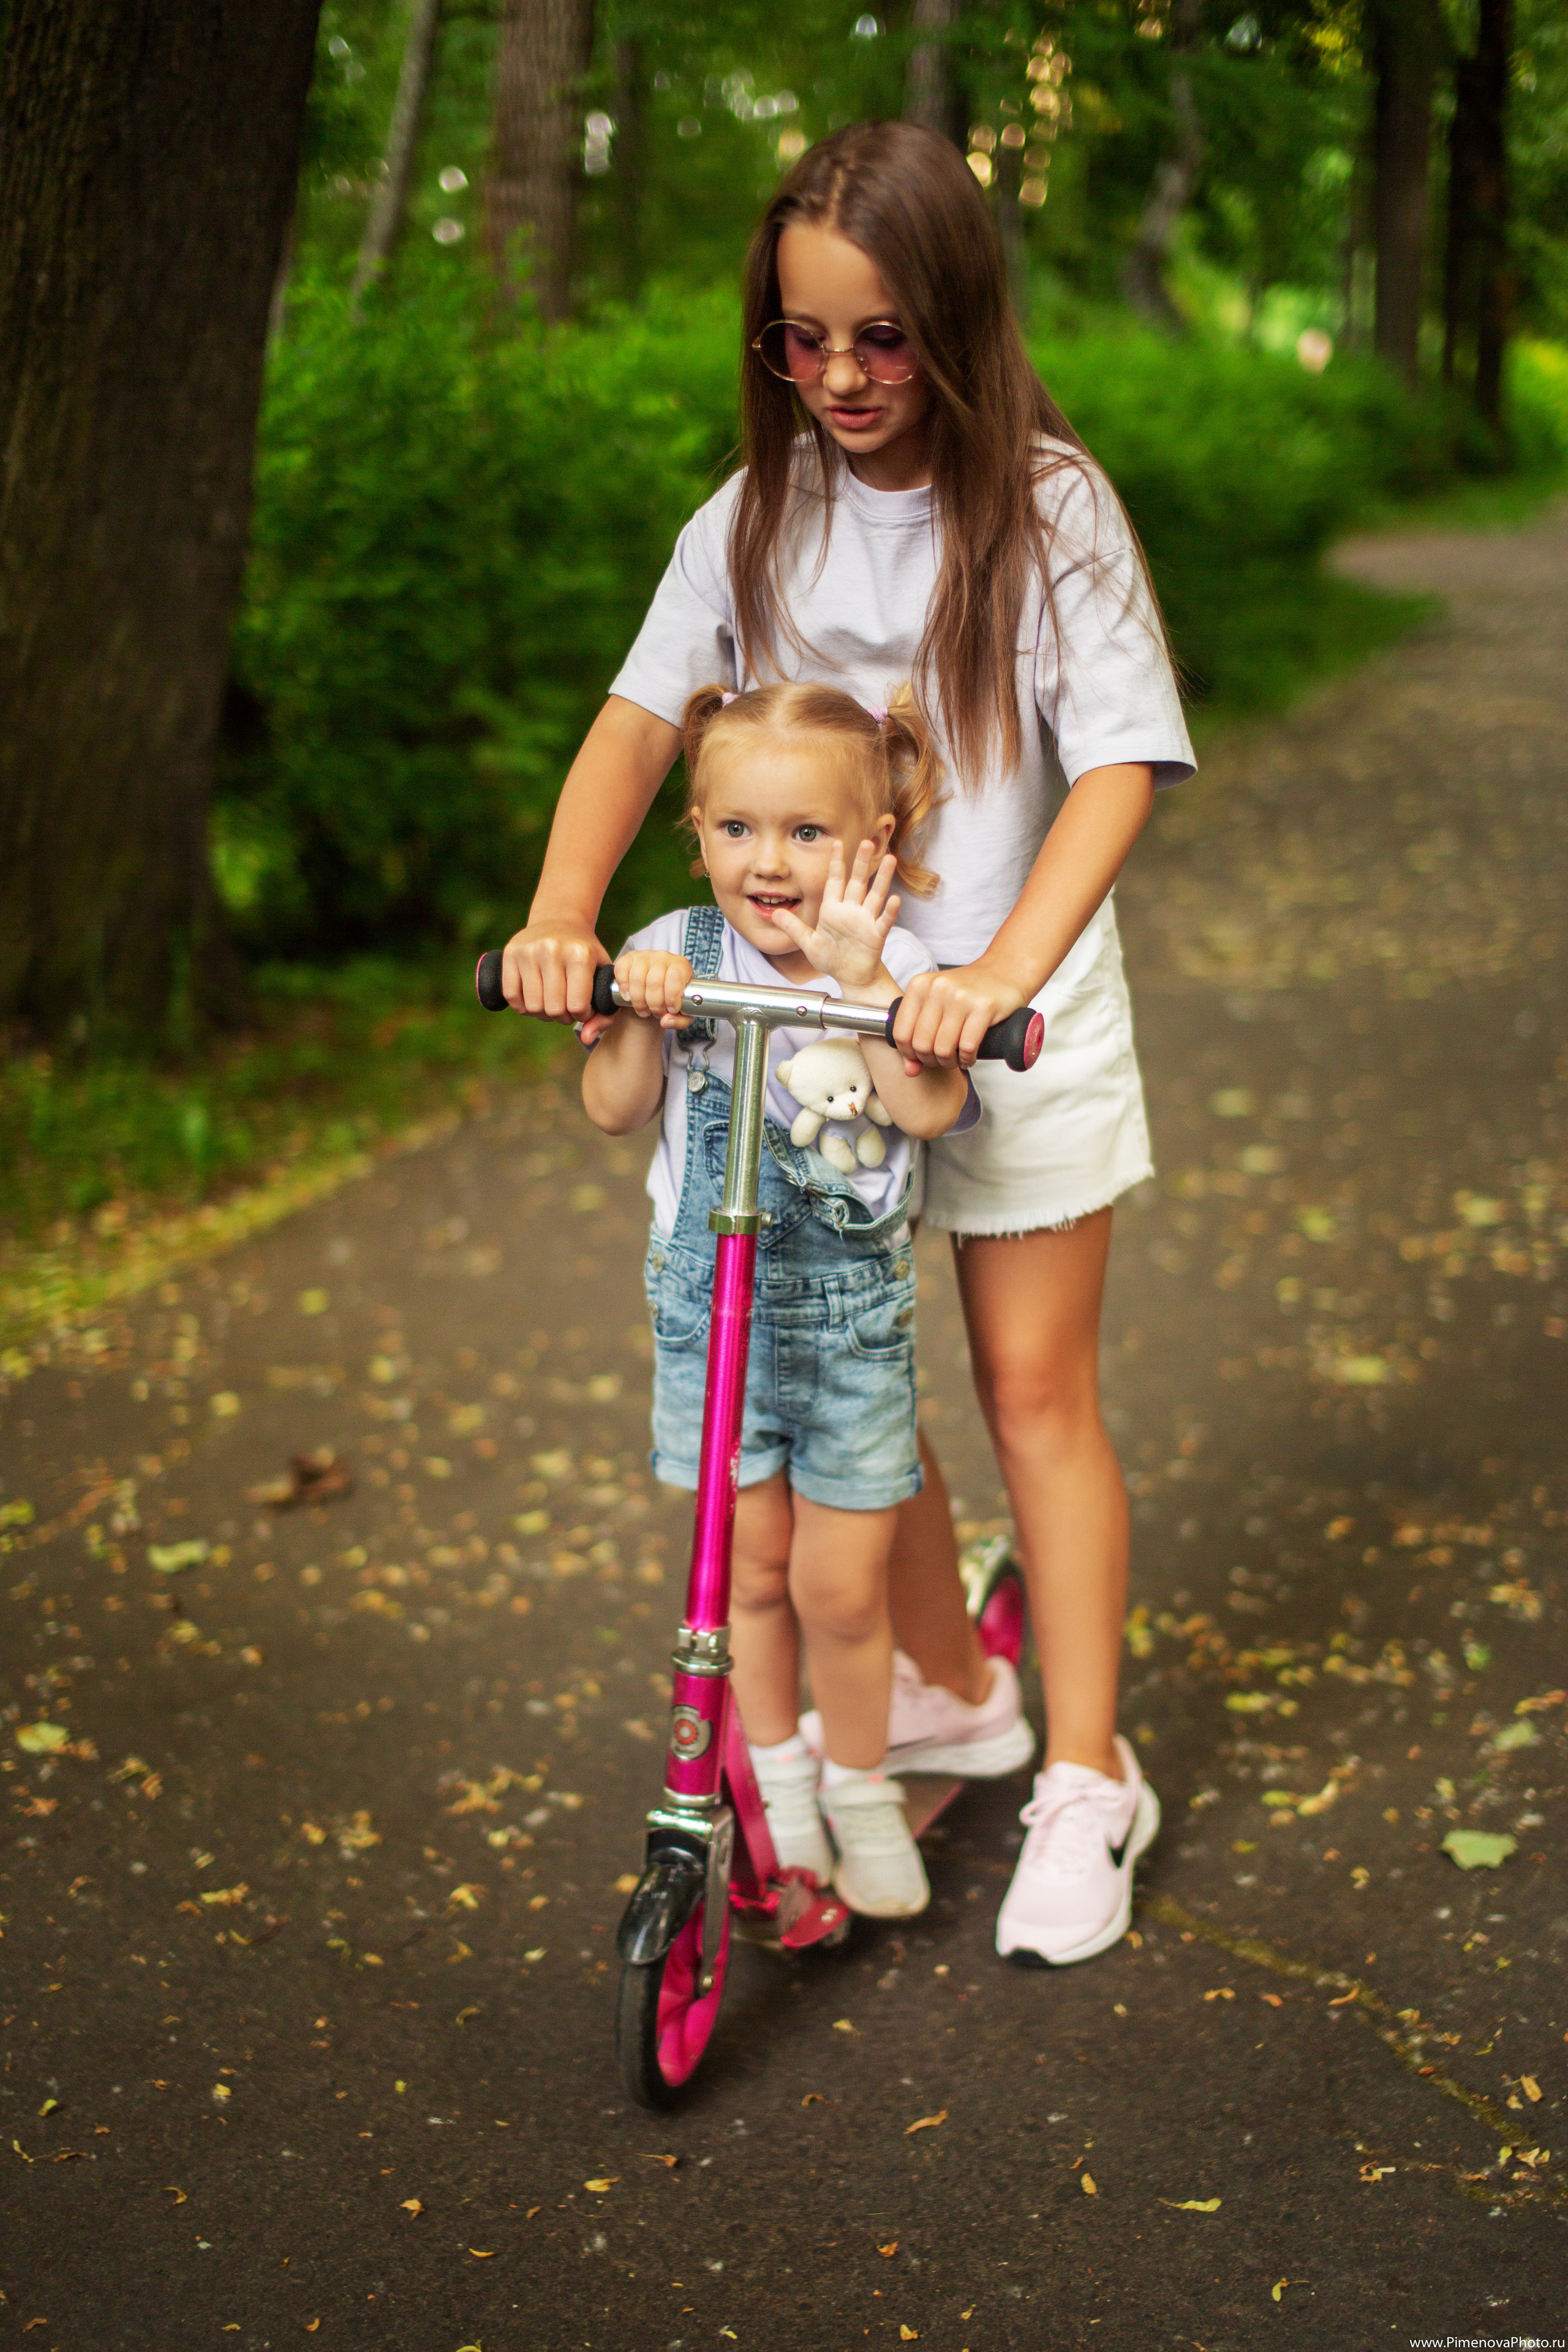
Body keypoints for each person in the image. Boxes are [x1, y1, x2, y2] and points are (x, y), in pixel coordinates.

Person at [502, 121, 1195, 1967]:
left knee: (1032, 1388)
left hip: (1005, 1013)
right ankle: (951, 1693)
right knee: (832, 1364)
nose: (840, 378)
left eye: (880, 338)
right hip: (802, 1028)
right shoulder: (752, 516)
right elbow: (639, 722)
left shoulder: (1046, 508)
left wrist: (993, 975)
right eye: (800, 340)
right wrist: (565, 910)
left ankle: (1086, 1775)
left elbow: (1117, 765)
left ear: (952, 318)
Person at [579, 680, 978, 1920]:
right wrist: (634, 1010)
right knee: (746, 1576)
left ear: (873, 844)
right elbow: (613, 1110)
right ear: (696, 831)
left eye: (807, 832)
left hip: (849, 1322)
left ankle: (861, 1788)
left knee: (840, 1590)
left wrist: (867, 988)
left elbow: (929, 1110)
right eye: (738, 828)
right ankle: (782, 1790)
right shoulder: (675, 946)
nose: (769, 861)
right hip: (711, 1312)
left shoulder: (899, 962)